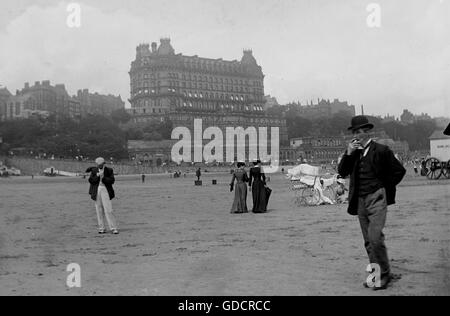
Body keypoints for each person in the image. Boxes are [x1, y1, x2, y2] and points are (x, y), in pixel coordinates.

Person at [338, 115, 406, 290]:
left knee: (375, 238)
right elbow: (342, 172)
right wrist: (348, 153)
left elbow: (399, 171)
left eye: (361, 131)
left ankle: (385, 274)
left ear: (368, 132)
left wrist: (383, 188)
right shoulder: (353, 153)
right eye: (355, 132)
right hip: (360, 201)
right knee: (368, 241)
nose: (358, 135)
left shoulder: (382, 150)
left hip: (376, 198)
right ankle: (376, 275)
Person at [88, 157, 119, 235]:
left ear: (103, 164)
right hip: (96, 190)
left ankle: (113, 228)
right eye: (98, 165)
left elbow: (112, 181)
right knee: (99, 210)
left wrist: (103, 178)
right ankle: (101, 228)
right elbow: (91, 180)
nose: (99, 166)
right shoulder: (94, 170)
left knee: (108, 209)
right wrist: (97, 176)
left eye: (101, 165)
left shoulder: (109, 170)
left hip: (105, 189)